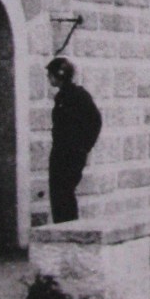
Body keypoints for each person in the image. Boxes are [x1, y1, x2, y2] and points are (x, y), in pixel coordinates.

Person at [46, 57, 102, 223]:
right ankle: (62, 228)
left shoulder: (78, 96)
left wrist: (83, 147)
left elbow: (95, 121)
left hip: (71, 155)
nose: (49, 78)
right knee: (58, 193)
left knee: (64, 192)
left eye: (51, 75)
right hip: (60, 153)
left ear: (59, 75)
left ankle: (68, 229)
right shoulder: (62, 97)